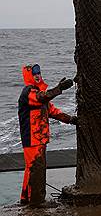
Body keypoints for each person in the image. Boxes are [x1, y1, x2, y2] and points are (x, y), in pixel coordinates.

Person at [18, 63, 77, 206]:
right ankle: (37, 202)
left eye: (39, 73)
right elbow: (42, 97)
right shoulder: (29, 92)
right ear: (29, 76)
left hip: (38, 138)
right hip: (32, 139)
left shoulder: (38, 94)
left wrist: (72, 120)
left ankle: (26, 199)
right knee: (36, 168)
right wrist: (59, 88)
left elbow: (53, 111)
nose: (37, 76)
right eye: (34, 74)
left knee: (31, 169)